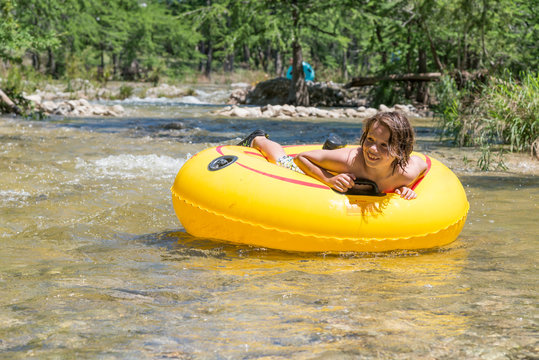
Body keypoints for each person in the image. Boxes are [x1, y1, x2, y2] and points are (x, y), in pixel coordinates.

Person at [237, 111, 428, 200]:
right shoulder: (351, 160)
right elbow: (301, 158)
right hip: (320, 169)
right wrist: (329, 178)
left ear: (400, 151)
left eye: (384, 145)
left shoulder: (407, 172)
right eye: (370, 139)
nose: (373, 149)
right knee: (282, 161)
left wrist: (405, 188)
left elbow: (424, 166)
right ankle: (258, 139)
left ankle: (330, 149)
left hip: (339, 163)